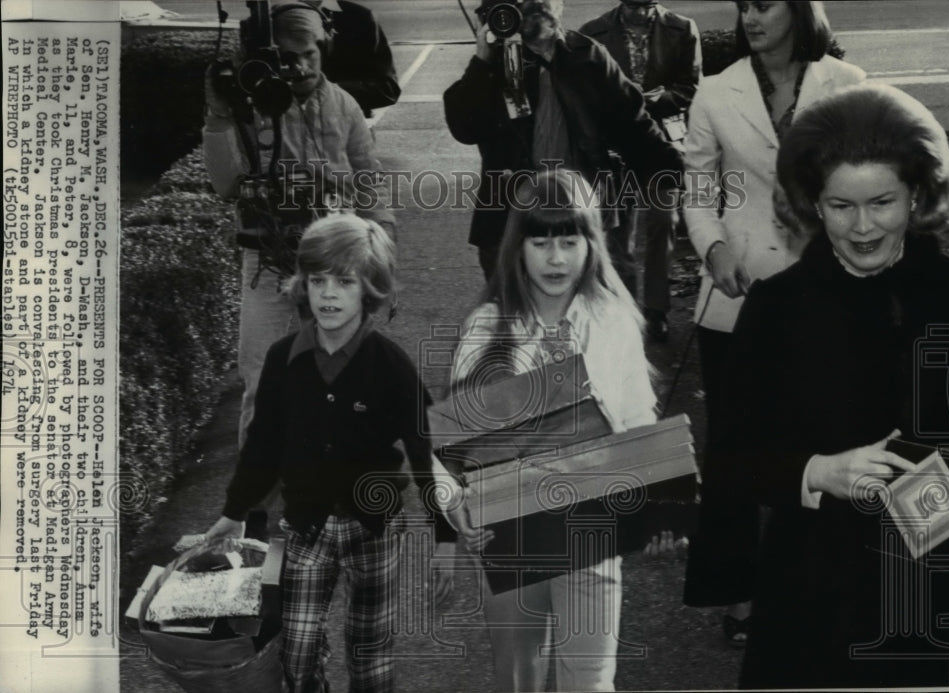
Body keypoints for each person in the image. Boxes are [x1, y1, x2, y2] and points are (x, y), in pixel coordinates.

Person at [724, 83, 949, 688]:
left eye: (883, 202)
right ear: (812, 205)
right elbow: (732, 461)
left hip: (929, 586)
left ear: (918, 195)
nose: (864, 226)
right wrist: (815, 471)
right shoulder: (776, 307)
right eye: (841, 206)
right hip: (810, 588)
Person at [204, 214, 466, 693]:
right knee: (296, 652)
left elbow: (427, 450)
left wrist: (445, 539)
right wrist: (233, 512)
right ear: (302, 284)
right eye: (318, 280)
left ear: (370, 289)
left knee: (370, 653)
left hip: (376, 529)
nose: (328, 294)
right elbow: (262, 443)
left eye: (344, 282)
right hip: (304, 525)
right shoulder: (284, 360)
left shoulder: (391, 366)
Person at [680, 0, 864, 646]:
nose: (750, 17)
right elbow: (697, 189)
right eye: (743, 6)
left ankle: (825, 582)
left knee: (824, 439)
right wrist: (715, 249)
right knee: (735, 447)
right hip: (737, 297)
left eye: (765, 5)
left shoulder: (848, 85)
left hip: (828, 297)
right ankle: (738, 592)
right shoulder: (713, 92)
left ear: (800, 10)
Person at [449, 170, 672, 692]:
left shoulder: (614, 319)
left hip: (593, 523)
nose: (555, 259)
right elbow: (456, 443)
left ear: (592, 244)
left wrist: (663, 503)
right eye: (541, 242)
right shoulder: (487, 325)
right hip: (510, 525)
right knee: (518, 674)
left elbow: (639, 419)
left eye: (570, 242)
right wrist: (455, 499)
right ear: (517, 247)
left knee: (590, 679)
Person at [202, 0, 395, 448]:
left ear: (324, 46)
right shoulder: (249, 107)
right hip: (267, 263)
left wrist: (385, 247)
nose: (302, 65)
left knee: (343, 372)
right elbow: (226, 184)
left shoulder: (344, 104)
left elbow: (369, 182)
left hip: (335, 263)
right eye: (289, 57)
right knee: (263, 376)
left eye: (310, 53)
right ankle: (255, 494)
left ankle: (337, 479)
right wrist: (219, 116)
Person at [444, 0, 684, 285]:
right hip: (513, 218)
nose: (534, 7)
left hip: (582, 214)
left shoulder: (587, 55)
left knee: (596, 309)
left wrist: (679, 172)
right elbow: (465, 128)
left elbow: (634, 126)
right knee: (515, 315)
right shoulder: (497, 63)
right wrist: (482, 62)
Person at [579, 0, 703, 341]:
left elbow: (692, 86)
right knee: (619, 235)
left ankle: (657, 309)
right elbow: (587, 96)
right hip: (616, 149)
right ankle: (627, 310)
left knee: (663, 221)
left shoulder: (682, 28)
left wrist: (660, 99)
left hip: (660, 145)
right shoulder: (594, 33)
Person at [302, 0, 401, 117]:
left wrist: (322, 93)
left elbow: (387, 90)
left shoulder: (359, 17)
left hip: (346, 126)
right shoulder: (277, 18)